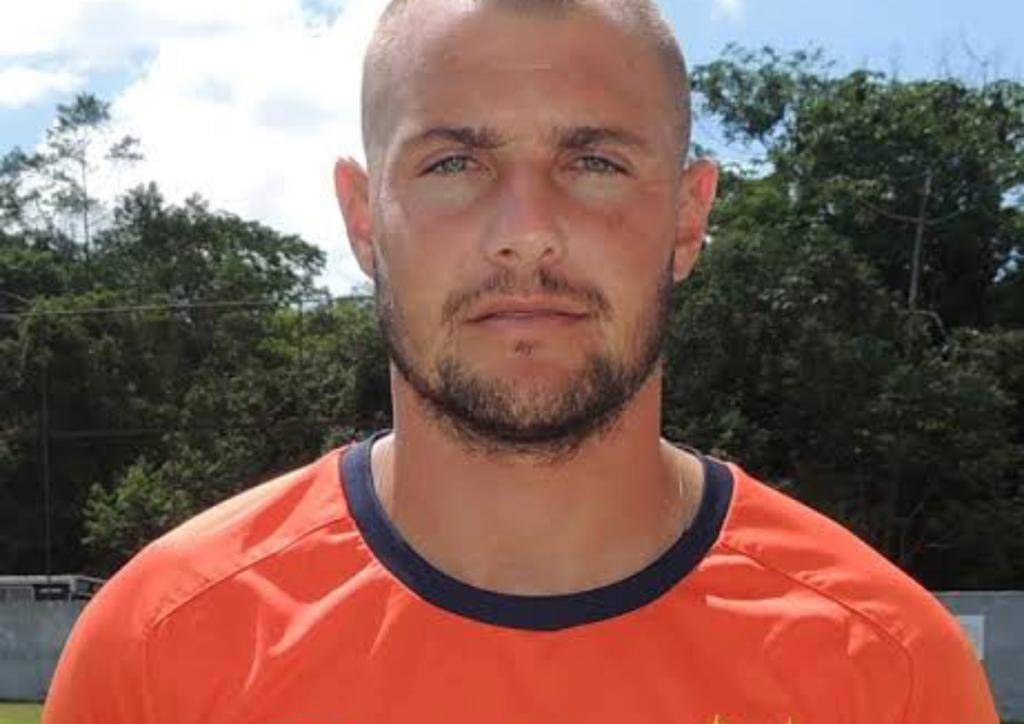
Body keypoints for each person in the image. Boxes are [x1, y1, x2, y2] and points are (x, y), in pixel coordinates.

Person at [44, 0, 999, 722]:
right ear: (364, 220)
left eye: (596, 163)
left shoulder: (889, 672)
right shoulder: (159, 653)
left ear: (689, 218)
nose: (527, 231)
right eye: (454, 163)